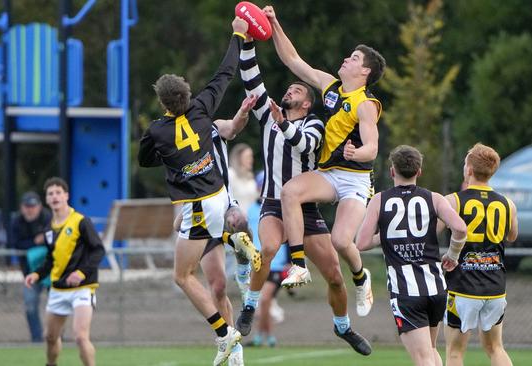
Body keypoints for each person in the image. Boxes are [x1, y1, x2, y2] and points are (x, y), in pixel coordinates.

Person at [234, 36, 371, 355]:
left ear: (308, 103)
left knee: (336, 276)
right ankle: (249, 308)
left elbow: (304, 145)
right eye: (288, 90)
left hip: (305, 211)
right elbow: (250, 75)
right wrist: (247, 40)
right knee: (267, 247)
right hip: (272, 203)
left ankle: (343, 327)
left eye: (296, 91)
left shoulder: (316, 125)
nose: (288, 92)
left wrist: (284, 124)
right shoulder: (269, 115)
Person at [138, 17, 250, 366]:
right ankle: (236, 243)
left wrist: (171, 155)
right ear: (187, 95)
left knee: (182, 276)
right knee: (198, 251)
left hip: (198, 205)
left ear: (163, 102)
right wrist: (238, 34)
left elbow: (144, 161)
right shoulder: (203, 108)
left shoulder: (157, 130)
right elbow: (224, 73)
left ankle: (224, 334)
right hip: (219, 195)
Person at [263, 6, 386, 318]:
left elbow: (372, 147)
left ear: (365, 72)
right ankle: (299, 265)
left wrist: (357, 153)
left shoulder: (366, 105)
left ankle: (361, 277)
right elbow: (293, 60)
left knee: (342, 241)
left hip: (356, 180)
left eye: (355, 59)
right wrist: (274, 23)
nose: (347, 59)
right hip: (329, 174)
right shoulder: (331, 87)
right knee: (290, 192)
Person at [356, 145, 468, 366]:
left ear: (392, 171)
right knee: (431, 351)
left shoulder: (379, 200)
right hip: (436, 288)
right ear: (419, 172)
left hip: (406, 291)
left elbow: (361, 242)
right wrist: (453, 255)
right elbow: (460, 228)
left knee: (423, 358)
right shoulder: (434, 198)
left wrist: (386, 236)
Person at [440, 143, 518, 366]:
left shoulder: (453, 201)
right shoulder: (508, 204)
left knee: (455, 352)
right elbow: (512, 235)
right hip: (494, 286)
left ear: (469, 170)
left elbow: (431, 230)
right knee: (495, 348)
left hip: (462, 286)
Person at [24, 177, 105, 366]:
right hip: (58, 290)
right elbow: (51, 259)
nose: (54, 196)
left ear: (66, 196)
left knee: (80, 336)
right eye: (50, 193)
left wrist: (81, 273)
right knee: (50, 337)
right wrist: (36, 274)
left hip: (83, 288)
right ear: (46, 199)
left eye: (58, 192)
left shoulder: (81, 222)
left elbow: (98, 250)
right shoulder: (48, 229)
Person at [12, 191, 52, 342]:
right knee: (30, 305)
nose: (30, 209)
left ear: (40, 207)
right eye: (26, 206)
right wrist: (35, 242)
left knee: (56, 306)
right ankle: (37, 339)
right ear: (22, 208)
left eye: (33, 206)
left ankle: (55, 336)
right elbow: (15, 244)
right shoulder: (17, 221)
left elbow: (56, 241)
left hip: (50, 270)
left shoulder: (48, 217)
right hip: (30, 272)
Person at [229, 143, 260, 216]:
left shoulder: (251, 178)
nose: (251, 160)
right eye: (247, 157)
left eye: (251, 156)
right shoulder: (230, 174)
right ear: (238, 158)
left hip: (251, 221)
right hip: (235, 220)